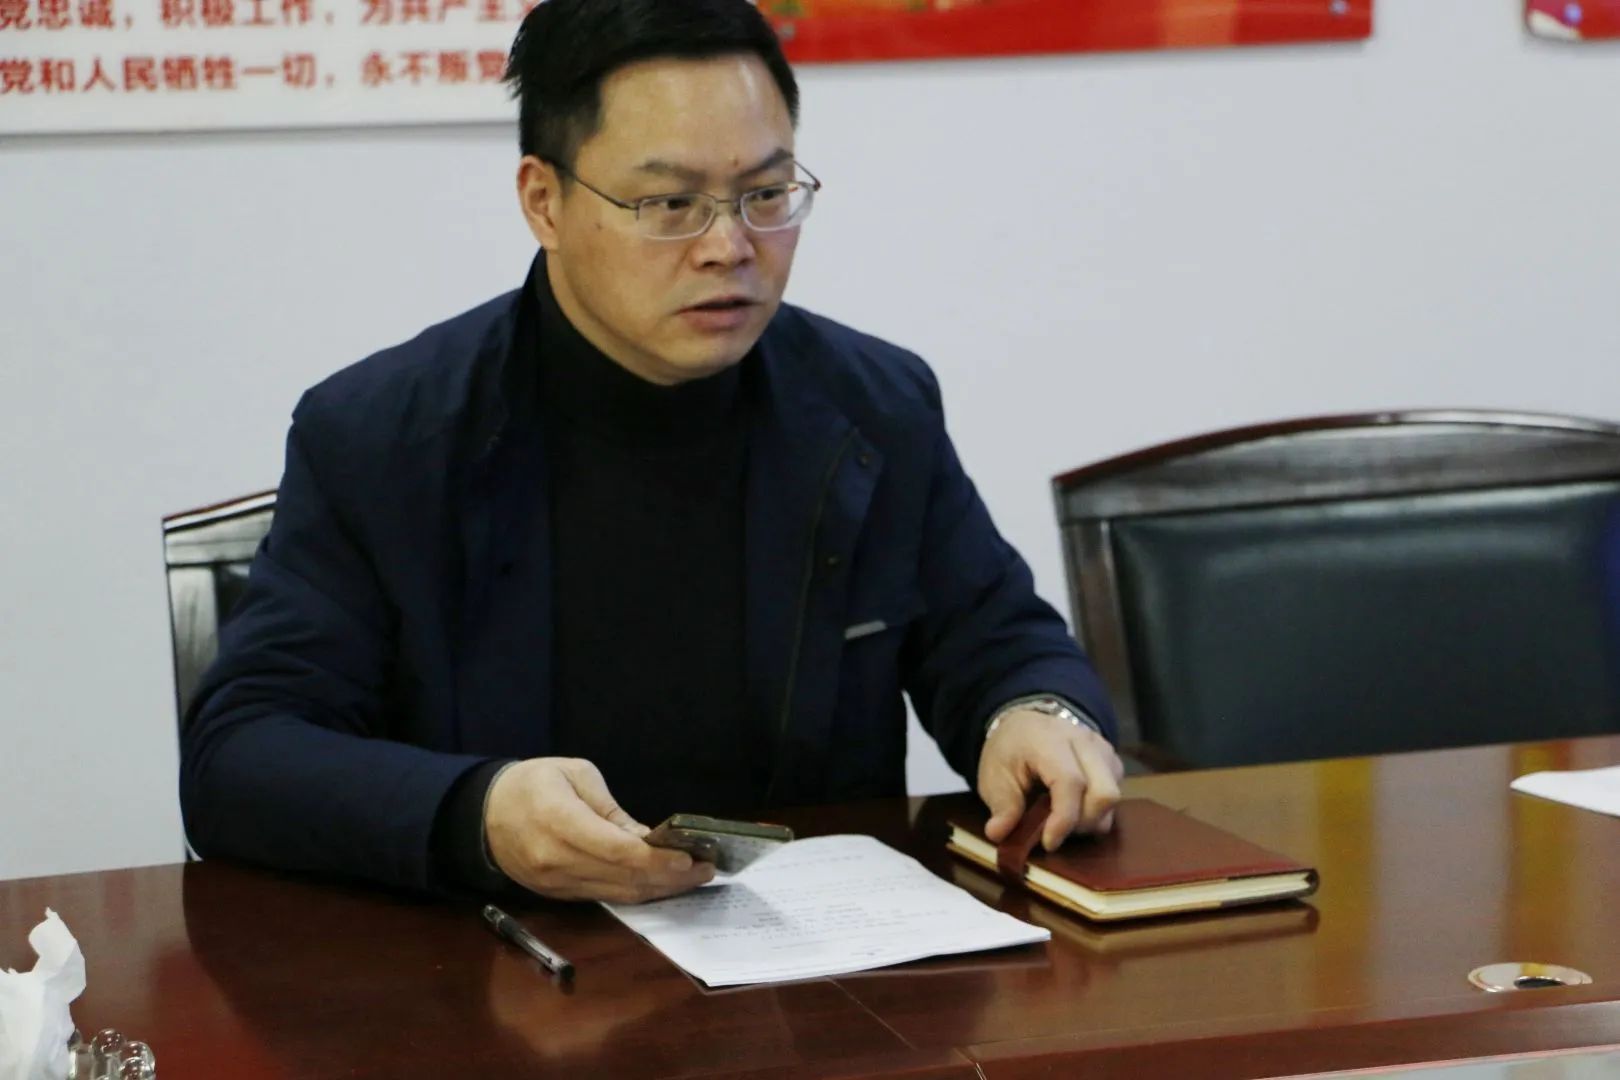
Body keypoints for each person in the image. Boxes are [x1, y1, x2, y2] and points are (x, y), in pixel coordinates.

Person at [179, 0, 1122, 905]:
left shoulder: (873, 406)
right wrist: (477, 814)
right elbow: (241, 755)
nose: (729, 246)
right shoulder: (384, 437)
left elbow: (999, 639)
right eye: (671, 202)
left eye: (766, 194)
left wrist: (1034, 715)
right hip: (504, 966)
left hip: (817, 968)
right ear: (544, 202)